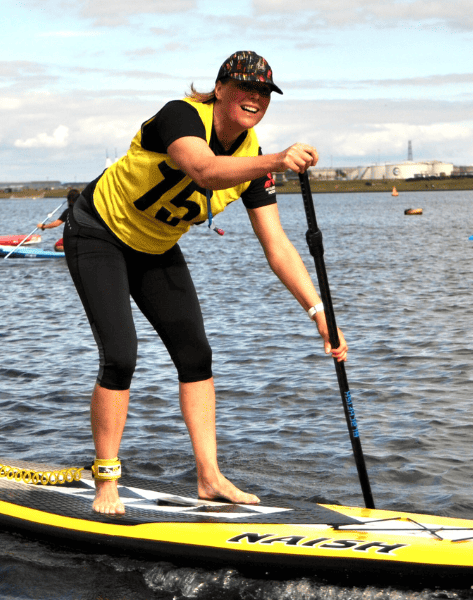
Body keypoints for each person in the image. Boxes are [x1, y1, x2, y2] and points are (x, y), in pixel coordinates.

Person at [63, 51, 346, 516]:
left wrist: (320, 314)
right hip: (98, 232)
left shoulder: (254, 160)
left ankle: (210, 478)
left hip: (153, 246)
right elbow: (203, 169)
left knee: (196, 354)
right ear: (220, 89)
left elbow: (277, 246)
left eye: (263, 93)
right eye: (244, 88)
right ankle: (106, 479)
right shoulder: (180, 116)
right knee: (120, 355)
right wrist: (275, 158)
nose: (254, 99)